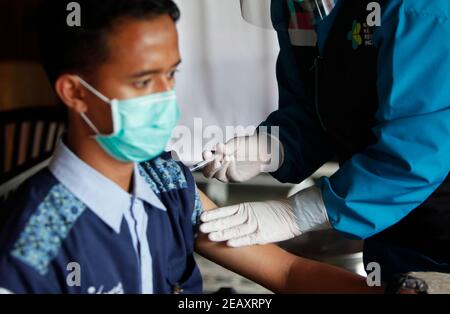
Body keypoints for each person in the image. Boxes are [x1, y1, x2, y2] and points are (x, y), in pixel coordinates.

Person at [200, 0, 450, 283]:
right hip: (390, 238)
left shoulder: (420, 9)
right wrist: (272, 146)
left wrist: (296, 214)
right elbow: (318, 105)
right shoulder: (300, 6)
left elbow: (417, 152)